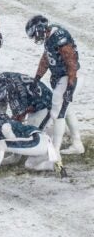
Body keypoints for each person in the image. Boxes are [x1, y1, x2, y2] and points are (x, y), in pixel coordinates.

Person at [25, 15, 84, 155]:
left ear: (40, 30)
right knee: (67, 111)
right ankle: (77, 144)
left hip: (70, 77)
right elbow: (47, 58)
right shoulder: (50, 37)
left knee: (57, 114)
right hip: (63, 78)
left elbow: (72, 63)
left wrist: (70, 87)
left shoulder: (59, 38)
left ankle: (55, 152)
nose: (35, 38)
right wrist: (37, 78)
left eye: (35, 35)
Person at [0, 114, 65, 187]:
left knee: (1, 144)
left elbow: (10, 140)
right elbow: (15, 157)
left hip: (36, 141)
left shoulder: (4, 124)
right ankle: (54, 165)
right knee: (30, 165)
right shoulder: (15, 126)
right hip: (45, 143)